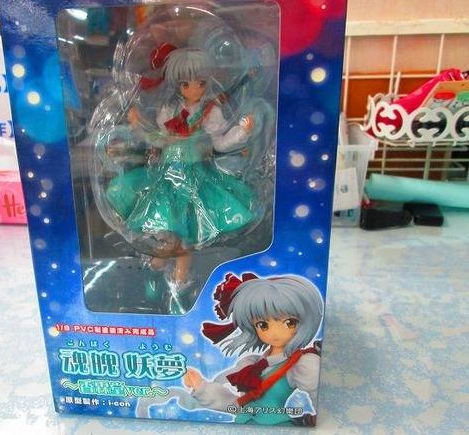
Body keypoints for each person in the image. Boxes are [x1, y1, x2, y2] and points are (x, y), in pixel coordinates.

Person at [106, 44, 256, 287]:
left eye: (201, 83)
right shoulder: (169, 110)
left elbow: (220, 142)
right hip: (167, 173)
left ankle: (180, 275)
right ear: (177, 85)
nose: (194, 89)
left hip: (195, 174)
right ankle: (164, 257)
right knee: (166, 219)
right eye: (186, 84)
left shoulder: (211, 112)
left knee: (186, 226)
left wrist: (242, 132)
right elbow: (158, 140)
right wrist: (137, 125)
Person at [183, 273, 323, 426]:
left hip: (276, 427)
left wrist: (322, 420)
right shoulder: (251, 364)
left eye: (289, 322)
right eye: (263, 325)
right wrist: (201, 387)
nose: (275, 333)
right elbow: (237, 405)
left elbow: (320, 396)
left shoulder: (301, 363)